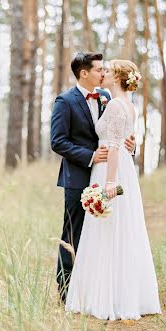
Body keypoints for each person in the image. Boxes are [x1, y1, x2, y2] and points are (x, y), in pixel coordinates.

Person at [65, 59, 161, 320]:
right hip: (113, 168)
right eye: (101, 69)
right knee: (114, 229)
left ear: (117, 77)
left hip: (111, 169)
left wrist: (109, 182)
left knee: (109, 230)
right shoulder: (122, 103)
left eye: (107, 71)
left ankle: (110, 297)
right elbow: (123, 139)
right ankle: (111, 292)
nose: (103, 73)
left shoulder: (117, 105)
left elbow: (116, 145)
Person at [50, 52, 135, 303]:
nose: (103, 72)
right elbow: (58, 141)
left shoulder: (108, 97)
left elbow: (116, 134)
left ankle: (94, 289)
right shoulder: (65, 101)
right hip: (78, 177)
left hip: (104, 175)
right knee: (73, 234)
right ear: (84, 73)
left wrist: (130, 143)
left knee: (102, 234)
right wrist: (91, 156)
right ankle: (66, 290)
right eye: (99, 69)